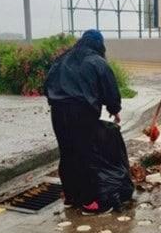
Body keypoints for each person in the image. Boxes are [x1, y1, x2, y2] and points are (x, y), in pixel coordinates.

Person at [44, 29, 121, 215]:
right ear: (99, 44)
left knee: (67, 152)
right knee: (87, 154)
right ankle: (92, 201)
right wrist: (114, 110)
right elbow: (110, 89)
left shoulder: (62, 59)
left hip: (58, 111)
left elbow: (46, 85)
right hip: (82, 112)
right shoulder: (97, 62)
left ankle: (71, 197)